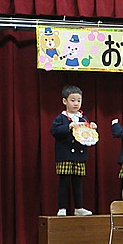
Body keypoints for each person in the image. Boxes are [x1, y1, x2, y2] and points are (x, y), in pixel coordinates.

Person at [50, 84, 97, 216]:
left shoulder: (83, 118)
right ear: (65, 101)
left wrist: (91, 127)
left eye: (79, 100)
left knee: (78, 182)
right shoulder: (61, 118)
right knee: (64, 182)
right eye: (73, 100)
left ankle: (78, 207)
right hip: (65, 155)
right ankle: (62, 208)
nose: (76, 103)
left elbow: (87, 136)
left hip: (79, 155)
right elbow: (54, 131)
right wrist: (68, 127)